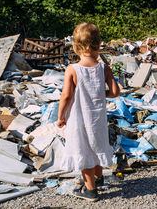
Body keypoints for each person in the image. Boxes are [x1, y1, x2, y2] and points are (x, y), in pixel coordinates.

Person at [56, 22, 120, 202]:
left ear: (75, 47)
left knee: (83, 150)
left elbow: (66, 96)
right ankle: (99, 178)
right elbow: (115, 92)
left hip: (78, 119)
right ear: (99, 45)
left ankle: (90, 190)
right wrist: (101, 93)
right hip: (97, 119)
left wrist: (60, 117)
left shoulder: (73, 69)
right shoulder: (104, 68)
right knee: (97, 145)